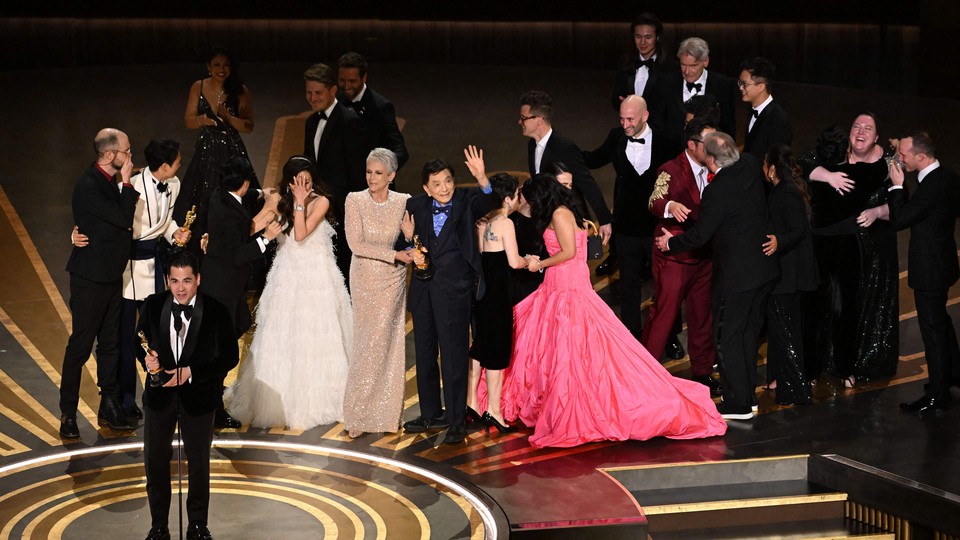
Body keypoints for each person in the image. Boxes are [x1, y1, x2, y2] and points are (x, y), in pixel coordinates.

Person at [500, 174, 726, 448]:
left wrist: (540, 264)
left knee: (572, 353)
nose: (530, 203)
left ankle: (575, 406)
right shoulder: (561, 211)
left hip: (568, 288)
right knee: (561, 351)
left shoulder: (559, 214)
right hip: (560, 287)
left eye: (531, 198)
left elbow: (569, 252)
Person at [656, 132, 780, 420]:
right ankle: (747, 397)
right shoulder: (748, 165)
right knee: (747, 335)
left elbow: (700, 236)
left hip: (737, 278)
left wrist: (670, 243)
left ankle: (738, 403)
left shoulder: (718, 190)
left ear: (710, 159)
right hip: (763, 271)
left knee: (725, 338)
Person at [226, 156, 352, 430]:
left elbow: (301, 234)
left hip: (316, 277)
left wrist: (298, 201)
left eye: (307, 181)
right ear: (290, 181)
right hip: (287, 275)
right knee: (282, 334)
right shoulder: (278, 200)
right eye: (298, 182)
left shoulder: (321, 201)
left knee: (316, 334)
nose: (303, 186)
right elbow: (249, 227)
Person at [137, 251, 239, 540]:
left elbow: (229, 356)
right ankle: (158, 526)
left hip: (199, 399)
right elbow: (138, 340)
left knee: (198, 462)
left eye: (187, 281)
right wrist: (148, 359)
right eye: (174, 281)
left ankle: (197, 525)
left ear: (198, 280)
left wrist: (192, 371)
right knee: (155, 460)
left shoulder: (217, 311)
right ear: (167, 280)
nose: (181, 288)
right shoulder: (153, 305)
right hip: (160, 396)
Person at [398, 150, 492, 445]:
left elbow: (490, 201)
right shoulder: (415, 205)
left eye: (448, 181)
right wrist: (409, 239)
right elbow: (403, 244)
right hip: (424, 291)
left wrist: (481, 177)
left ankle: (456, 421)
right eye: (436, 184)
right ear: (426, 188)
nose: (444, 188)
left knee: (453, 357)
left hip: (455, 291)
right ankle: (429, 414)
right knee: (425, 354)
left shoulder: (466, 201)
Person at [801, 113, 899, 386]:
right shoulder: (863, 174)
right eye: (856, 126)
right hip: (844, 249)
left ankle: (810, 372)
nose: (861, 131)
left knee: (816, 309)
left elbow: (801, 161)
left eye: (868, 128)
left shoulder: (817, 173)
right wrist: (894, 153)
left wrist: (827, 175)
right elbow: (886, 168)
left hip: (820, 248)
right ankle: (844, 370)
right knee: (843, 311)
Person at [59, 128, 139, 438]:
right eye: (126, 151)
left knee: (110, 345)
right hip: (90, 280)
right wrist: (128, 183)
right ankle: (67, 412)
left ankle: (108, 404)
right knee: (80, 347)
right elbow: (121, 218)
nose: (130, 156)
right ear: (109, 155)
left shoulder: (107, 181)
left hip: (111, 277)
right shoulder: (89, 186)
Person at [583, 95, 676, 338]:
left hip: (656, 228)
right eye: (622, 119)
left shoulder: (667, 142)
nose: (625, 124)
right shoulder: (616, 137)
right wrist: (560, 149)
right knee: (628, 285)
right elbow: (593, 159)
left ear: (645, 116)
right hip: (625, 227)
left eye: (630, 119)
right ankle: (631, 334)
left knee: (664, 285)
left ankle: (670, 335)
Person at [200, 157, 282, 429]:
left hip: (216, 284)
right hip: (225, 288)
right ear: (244, 183)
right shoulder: (232, 214)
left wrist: (260, 194)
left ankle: (211, 401)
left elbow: (239, 207)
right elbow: (237, 255)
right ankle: (212, 407)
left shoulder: (218, 197)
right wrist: (265, 238)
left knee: (230, 336)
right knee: (223, 352)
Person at [645, 118, 721, 396]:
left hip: (704, 256)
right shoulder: (671, 169)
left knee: (702, 318)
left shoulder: (717, 168)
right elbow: (654, 200)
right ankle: (646, 371)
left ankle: (702, 372)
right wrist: (670, 205)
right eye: (709, 142)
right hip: (674, 257)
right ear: (692, 145)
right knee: (664, 314)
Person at [342, 148, 413, 438]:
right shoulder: (354, 200)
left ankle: (385, 417)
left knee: (389, 345)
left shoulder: (405, 202)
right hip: (365, 279)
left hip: (393, 282)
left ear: (391, 176)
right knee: (365, 347)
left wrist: (408, 241)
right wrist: (394, 254)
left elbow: (414, 240)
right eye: (369, 172)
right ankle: (357, 416)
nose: (372, 178)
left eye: (378, 173)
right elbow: (356, 244)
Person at [888, 132, 960, 413]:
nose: (900, 159)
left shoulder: (929, 187)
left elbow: (900, 220)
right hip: (943, 262)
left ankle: (938, 394)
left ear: (922, 156)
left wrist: (897, 186)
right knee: (941, 320)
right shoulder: (949, 176)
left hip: (930, 269)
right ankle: (952, 374)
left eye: (904, 155)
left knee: (932, 330)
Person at [174, 47, 259, 257]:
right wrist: (202, 120)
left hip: (231, 149)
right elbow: (188, 120)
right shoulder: (199, 86)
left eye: (226, 65)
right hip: (206, 148)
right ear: (208, 67)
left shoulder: (240, 90)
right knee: (200, 194)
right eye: (217, 65)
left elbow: (249, 126)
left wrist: (230, 119)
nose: (222, 69)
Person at [466, 172, 529, 433]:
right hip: (499, 297)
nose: (518, 199)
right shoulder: (505, 223)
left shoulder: (482, 223)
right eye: (516, 194)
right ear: (507, 198)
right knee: (497, 354)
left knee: (479, 347)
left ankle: (470, 402)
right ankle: (494, 410)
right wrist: (531, 261)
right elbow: (514, 262)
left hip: (481, 295)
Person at [303, 62, 374, 283]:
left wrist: (356, 213)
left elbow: (356, 173)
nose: (312, 98)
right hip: (318, 206)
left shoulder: (350, 122)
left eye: (318, 93)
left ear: (333, 90)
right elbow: (309, 161)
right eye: (309, 93)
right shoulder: (311, 122)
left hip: (342, 209)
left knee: (342, 267)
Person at [519, 90, 612, 244]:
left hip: (569, 223)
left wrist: (604, 220)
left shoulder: (564, 147)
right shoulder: (531, 145)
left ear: (539, 120)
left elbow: (586, 182)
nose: (519, 122)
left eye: (523, 118)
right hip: (546, 222)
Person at [762, 144, 817, 406]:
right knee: (780, 330)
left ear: (772, 169)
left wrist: (778, 241)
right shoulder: (785, 190)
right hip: (785, 273)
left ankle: (796, 389)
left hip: (788, 275)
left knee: (786, 332)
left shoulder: (785, 194)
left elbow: (798, 229)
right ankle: (779, 379)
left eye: (765, 165)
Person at [650, 37, 737, 141]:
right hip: (672, 152)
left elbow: (727, 127)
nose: (687, 71)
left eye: (693, 66)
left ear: (705, 61)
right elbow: (657, 123)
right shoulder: (665, 82)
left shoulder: (722, 85)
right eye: (683, 65)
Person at [337, 52, 410, 170]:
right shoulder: (337, 100)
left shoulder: (381, 107)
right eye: (342, 80)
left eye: (352, 81)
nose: (346, 86)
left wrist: (384, 172)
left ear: (364, 78)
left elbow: (399, 149)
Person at [610, 12, 676, 112]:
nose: (642, 42)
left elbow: (672, 105)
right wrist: (624, 104)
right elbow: (616, 98)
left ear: (657, 38)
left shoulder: (671, 66)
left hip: (660, 126)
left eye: (648, 37)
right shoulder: (625, 61)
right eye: (638, 37)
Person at [739, 57, 793, 166]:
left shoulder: (779, 121)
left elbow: (775, 163)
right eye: (739, 83)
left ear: (761, 87)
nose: (740, 88)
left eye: (744, 84)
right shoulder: (753, 109)